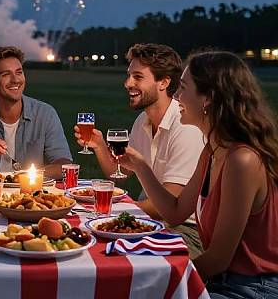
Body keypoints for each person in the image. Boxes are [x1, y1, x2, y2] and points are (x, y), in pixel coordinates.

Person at [119, 51, 278, 298]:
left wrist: (160, 280)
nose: (177, 96)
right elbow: (175, 211)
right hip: (222, 280)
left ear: (208, 99)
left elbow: (218, 259)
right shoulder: (212, 150)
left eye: (183, 88)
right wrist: (141, 167)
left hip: (251, 287)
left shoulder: (241, 160)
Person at [75, 43, 205, 257]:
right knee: (94, 244)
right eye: (128, 76)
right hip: (151, 220)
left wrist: (117, 213)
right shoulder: (142, 121)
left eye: (138, 77)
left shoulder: (184, 126)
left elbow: (170, 203)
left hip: (185, 230)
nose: (128, 83)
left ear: (164, 82)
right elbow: (119, 173)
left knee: (112, 252)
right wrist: (99, 146)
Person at [0, 46, 72, 180]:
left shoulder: (45, 113)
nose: (15, 80)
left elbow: (64, 166)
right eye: (6, 74)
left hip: (31, 196)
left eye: (19, 72)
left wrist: (26, 176)